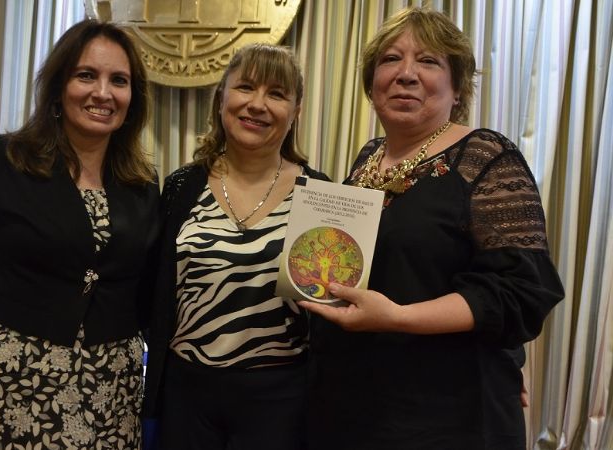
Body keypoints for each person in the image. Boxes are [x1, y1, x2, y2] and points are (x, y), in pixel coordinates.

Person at [299, 7, 564, 450]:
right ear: (370, 82)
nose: (406, 74)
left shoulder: (486, 157)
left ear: (457, 86)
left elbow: (521, 291)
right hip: (352, 404)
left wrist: (399, 318)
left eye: (428, 61)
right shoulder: (367, 158)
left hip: (448, 414)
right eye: (390, 59)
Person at [0, 20, 159, 450]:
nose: (103, 93)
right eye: (86, 75)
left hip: (111, 396)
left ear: (133, 98)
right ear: (58, 86)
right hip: (13, 388)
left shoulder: (143, 184)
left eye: (118, 81)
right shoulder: (6, 162)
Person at [143, 43, 329, 450]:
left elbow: (332, 305)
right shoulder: (180, 187)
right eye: (245, 87)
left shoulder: (321, 194)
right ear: (222, 97)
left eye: (277, 94)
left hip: (280, 399)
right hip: (186, 394)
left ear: (296, 111)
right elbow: (154, 291)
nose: (257, 104)